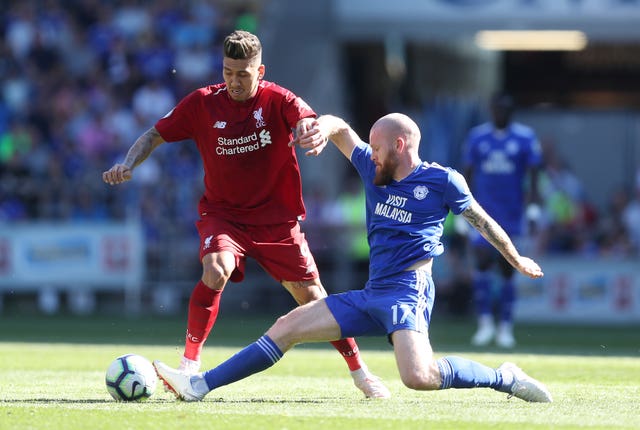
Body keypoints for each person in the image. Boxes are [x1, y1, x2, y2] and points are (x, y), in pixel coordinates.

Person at [153, 112, 553, 403]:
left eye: (376, 148)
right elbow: (341, 128)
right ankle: (199, 386)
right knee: (287, 326)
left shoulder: (442, 180)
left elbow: (482, 221)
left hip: (407, 292)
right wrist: (320, 128)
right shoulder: (371, 167)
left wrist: (515, 258)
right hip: (372, 291)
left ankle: (504, 377)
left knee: (419, 377)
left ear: (399, 145)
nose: (369, 155)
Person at [102, 30, 389, 399]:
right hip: (224, 216)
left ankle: (361, 374)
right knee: (215, 268)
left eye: (243, 74)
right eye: (227, 72)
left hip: (276, 221)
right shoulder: (202, 103)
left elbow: (305, 117)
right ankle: (188, 368)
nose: (234, 82)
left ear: (260, 70)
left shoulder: (278, 99)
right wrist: (128, 163)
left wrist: (308, 129)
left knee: (314, 299)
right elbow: (153, 135)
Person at [463, 93, 542, 348]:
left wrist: (533, 208)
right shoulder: (477, 137)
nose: (500, 113)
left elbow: (533, 176)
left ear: (511, 111)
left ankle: (506, 326)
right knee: (483, 263)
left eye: (505, 109)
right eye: (496, 108)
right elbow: (467, 175)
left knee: (509, 266)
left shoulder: (524, 137)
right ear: (491, 110)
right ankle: (485, 323)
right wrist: (463, 212)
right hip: (482, 213)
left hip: (512, 213)